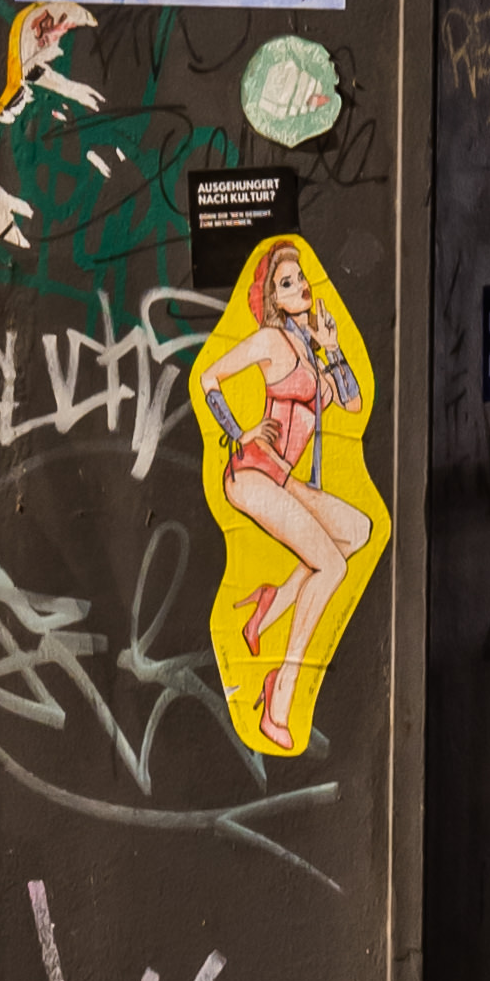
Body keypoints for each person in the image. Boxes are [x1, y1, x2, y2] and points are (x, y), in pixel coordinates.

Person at [195, 234, 375, 754]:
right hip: (252, 474)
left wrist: (332, 347)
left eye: (301, 280)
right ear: (273, 298)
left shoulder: (310, 353)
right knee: (331, 566)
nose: (300, 287)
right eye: (287, 283)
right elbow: (209, 377)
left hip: (281, 478)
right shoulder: (272, 342)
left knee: (358, 531)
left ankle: (271, 604)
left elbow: (353, 401)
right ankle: (281, 694)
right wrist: (239, 431)